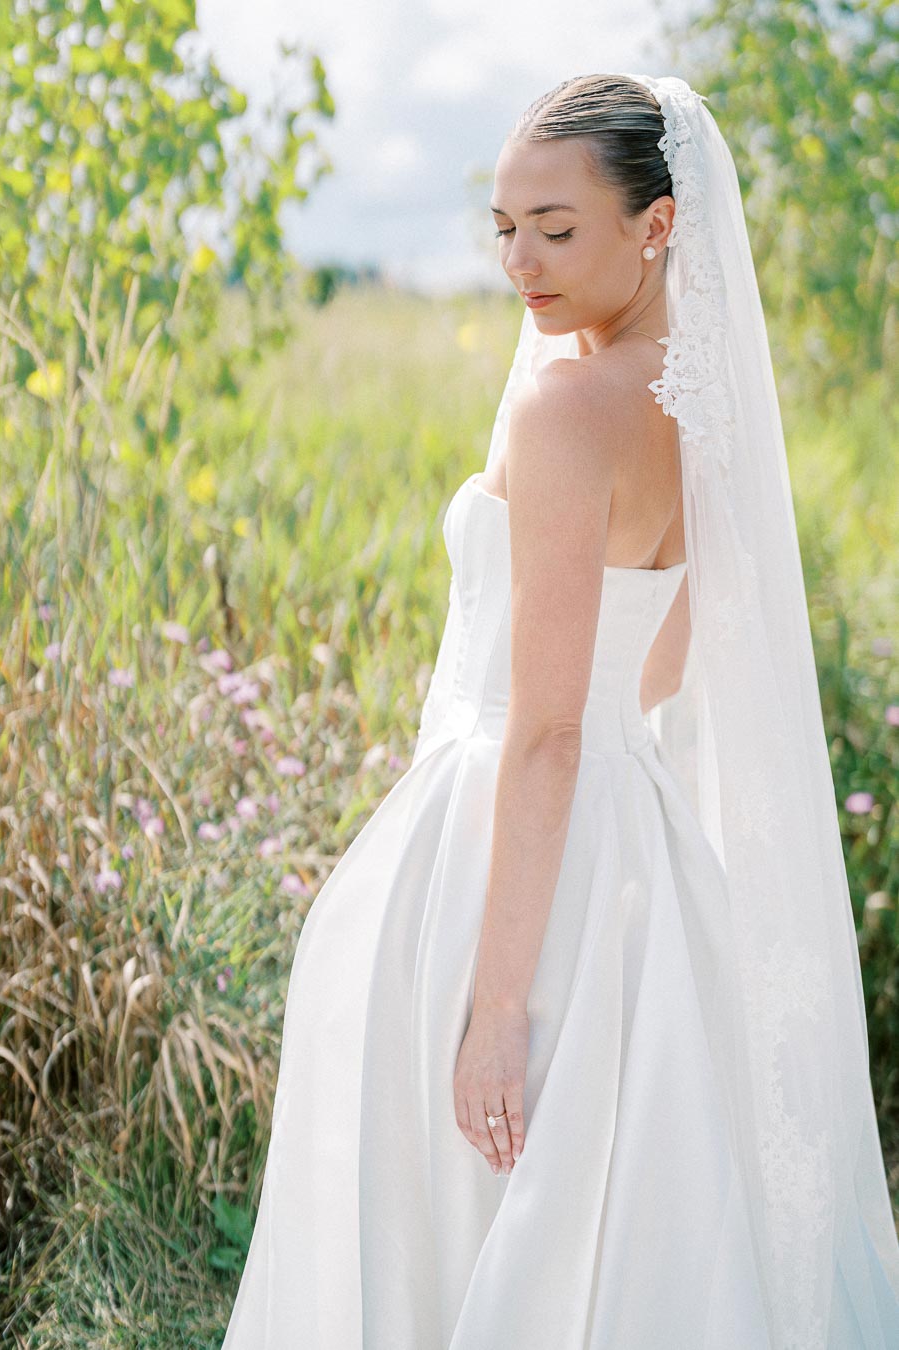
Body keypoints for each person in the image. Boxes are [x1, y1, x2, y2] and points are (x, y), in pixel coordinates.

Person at [221, 74, 899, 1348]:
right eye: (503, 228)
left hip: (509, 842)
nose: (519, 263)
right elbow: (667, 660)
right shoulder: (699, 408)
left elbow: (546, 733)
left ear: (657, 225)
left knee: (459, 1191)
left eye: (556, 227)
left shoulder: (564, 406)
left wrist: (498, 1008)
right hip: (636, 848)